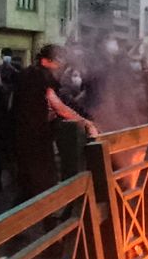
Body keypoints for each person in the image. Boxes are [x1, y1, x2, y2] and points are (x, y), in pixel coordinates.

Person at [11, 44, 97, 199]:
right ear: (46, 60)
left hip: (25, 136)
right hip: (35, 139)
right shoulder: (39, 76)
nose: (61, 64)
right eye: (59, 59)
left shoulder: (30, 74)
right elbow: (58, 106)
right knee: (41, 184)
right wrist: (86, 123)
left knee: (28, 184)